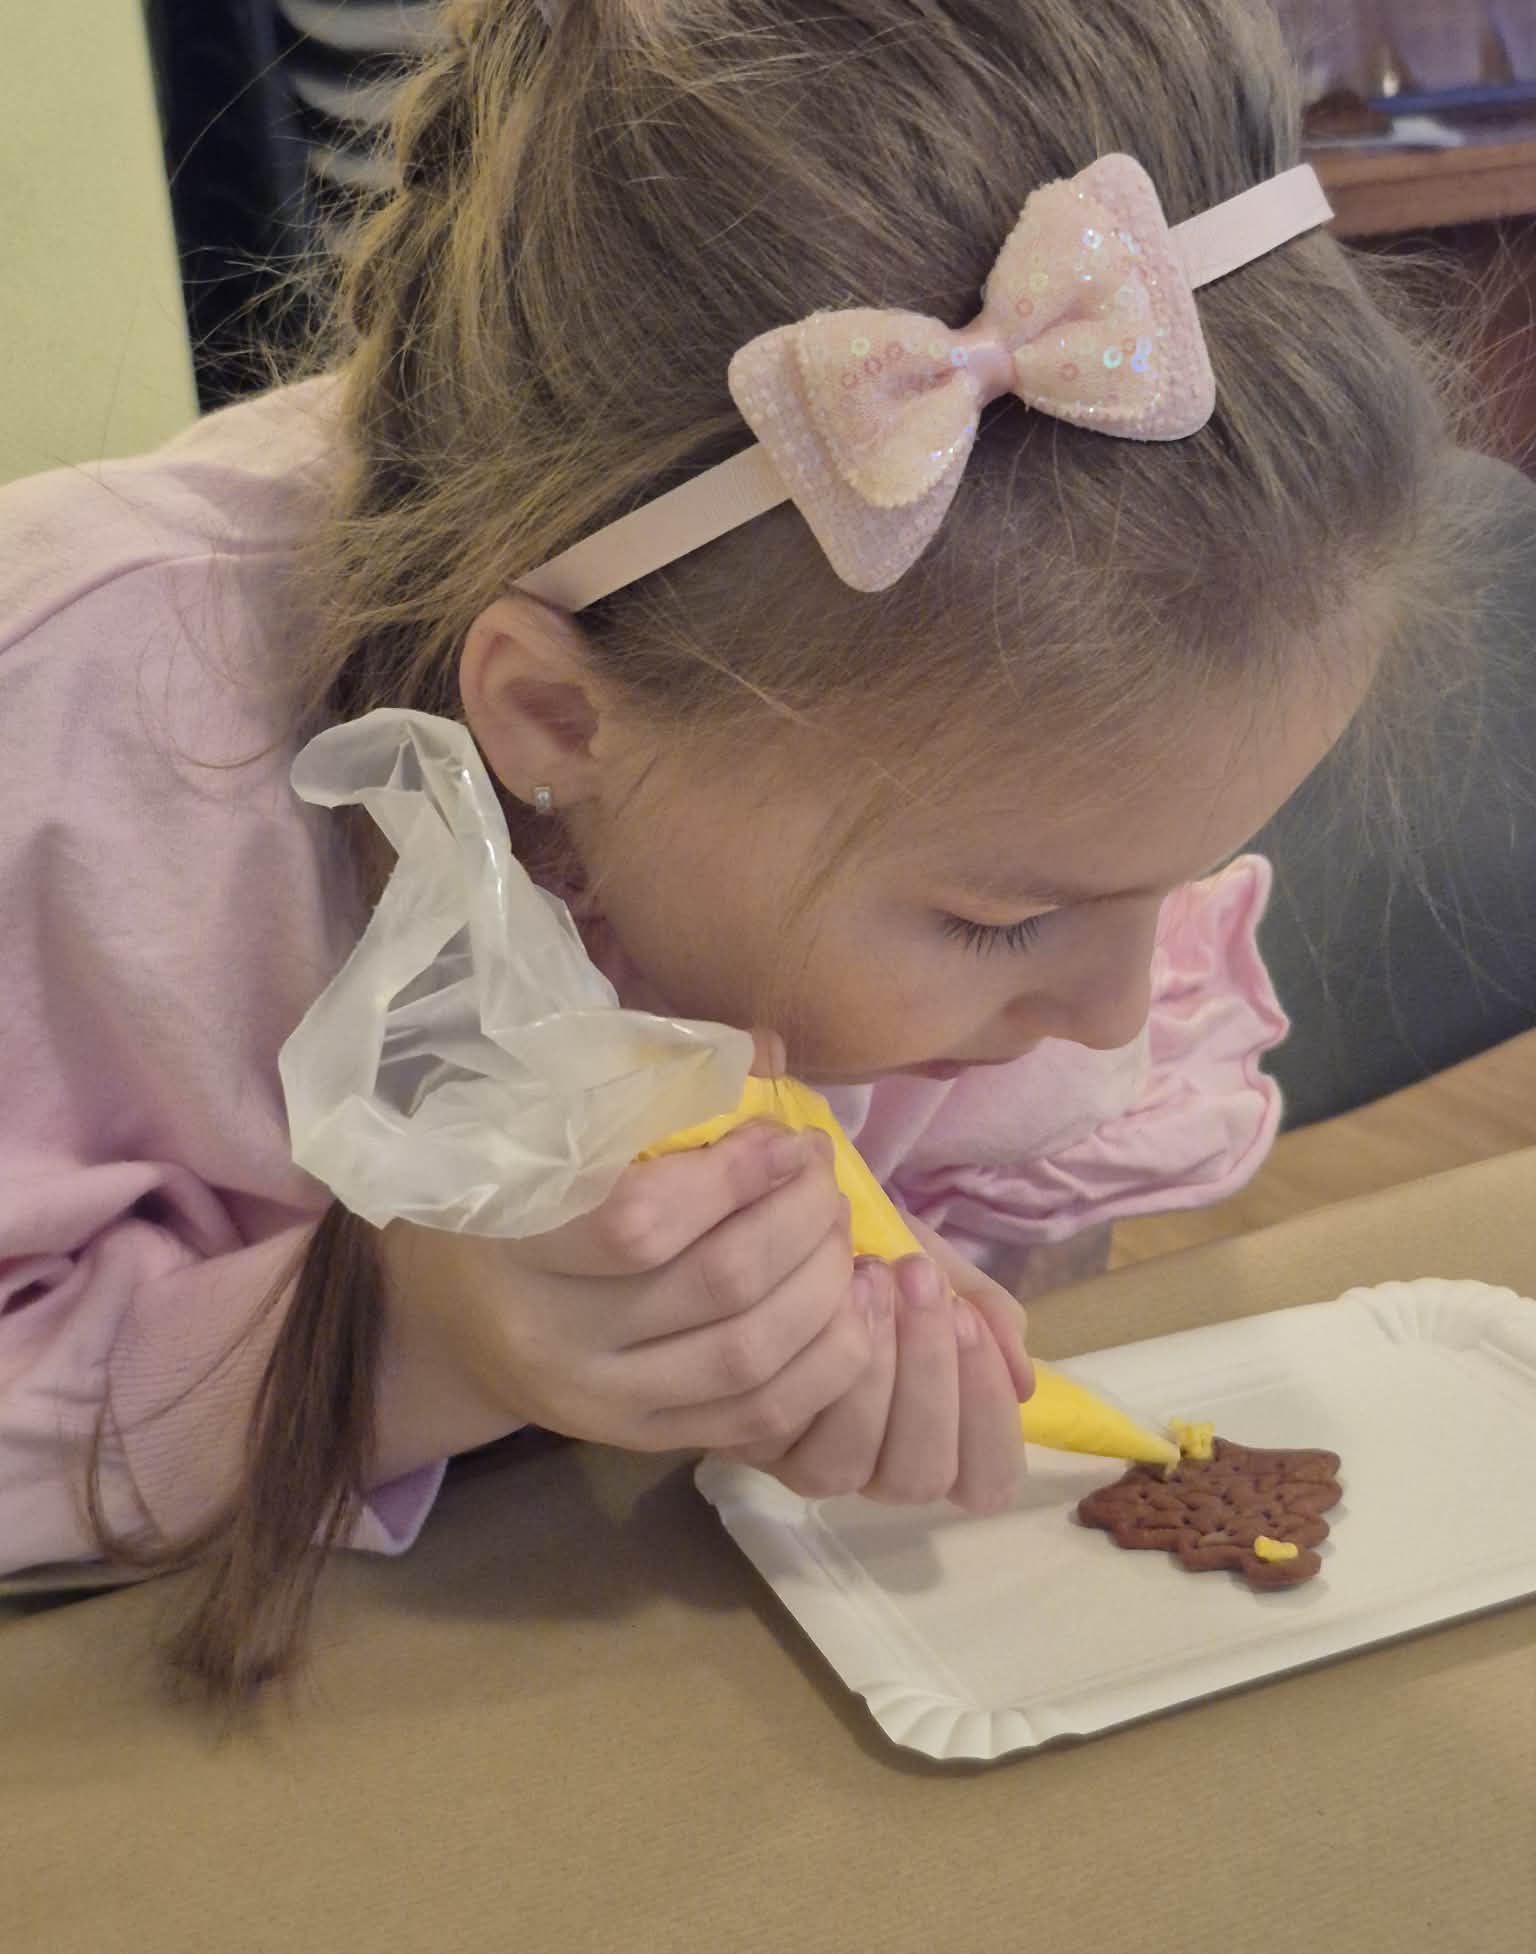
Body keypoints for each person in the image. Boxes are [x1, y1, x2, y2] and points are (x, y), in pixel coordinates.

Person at [0, 0, 1470, 1697]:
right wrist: (399, 1348)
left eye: (1185, 878)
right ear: (553, 719)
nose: (1117, 1015)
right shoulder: (80, 762)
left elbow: (1019, 1209)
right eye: (1005, 923)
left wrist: (894, 1325)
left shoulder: (1018, 811)